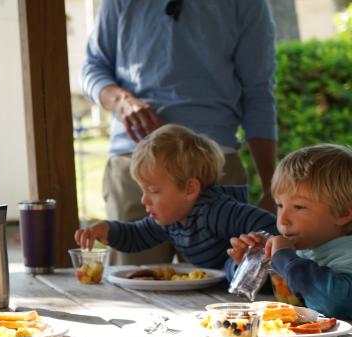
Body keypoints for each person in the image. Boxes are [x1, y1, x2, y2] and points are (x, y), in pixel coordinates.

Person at [81, 0, 278, 266]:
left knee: (222, 294)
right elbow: (93, 68)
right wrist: (121, 102)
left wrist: (271, 188)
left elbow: (259, 90)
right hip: (137, 163)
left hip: (216, 166)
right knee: (134, 290)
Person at [74, 124, 277, 270]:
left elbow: (271, 225)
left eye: (153, 191)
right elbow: (137, 235)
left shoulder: (216, 211)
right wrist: (107, 230)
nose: (144, 200)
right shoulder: (171, 220)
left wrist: (256, 244)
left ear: (190, 189)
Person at [226, 145, 352, 319]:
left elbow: (335, 303)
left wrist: (285, 260)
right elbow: (287, 290)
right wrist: (249, 266)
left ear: (343, 213)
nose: (283, 219)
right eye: (279, 205)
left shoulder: (347, 254)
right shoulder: (306, 249)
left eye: (299, 207)